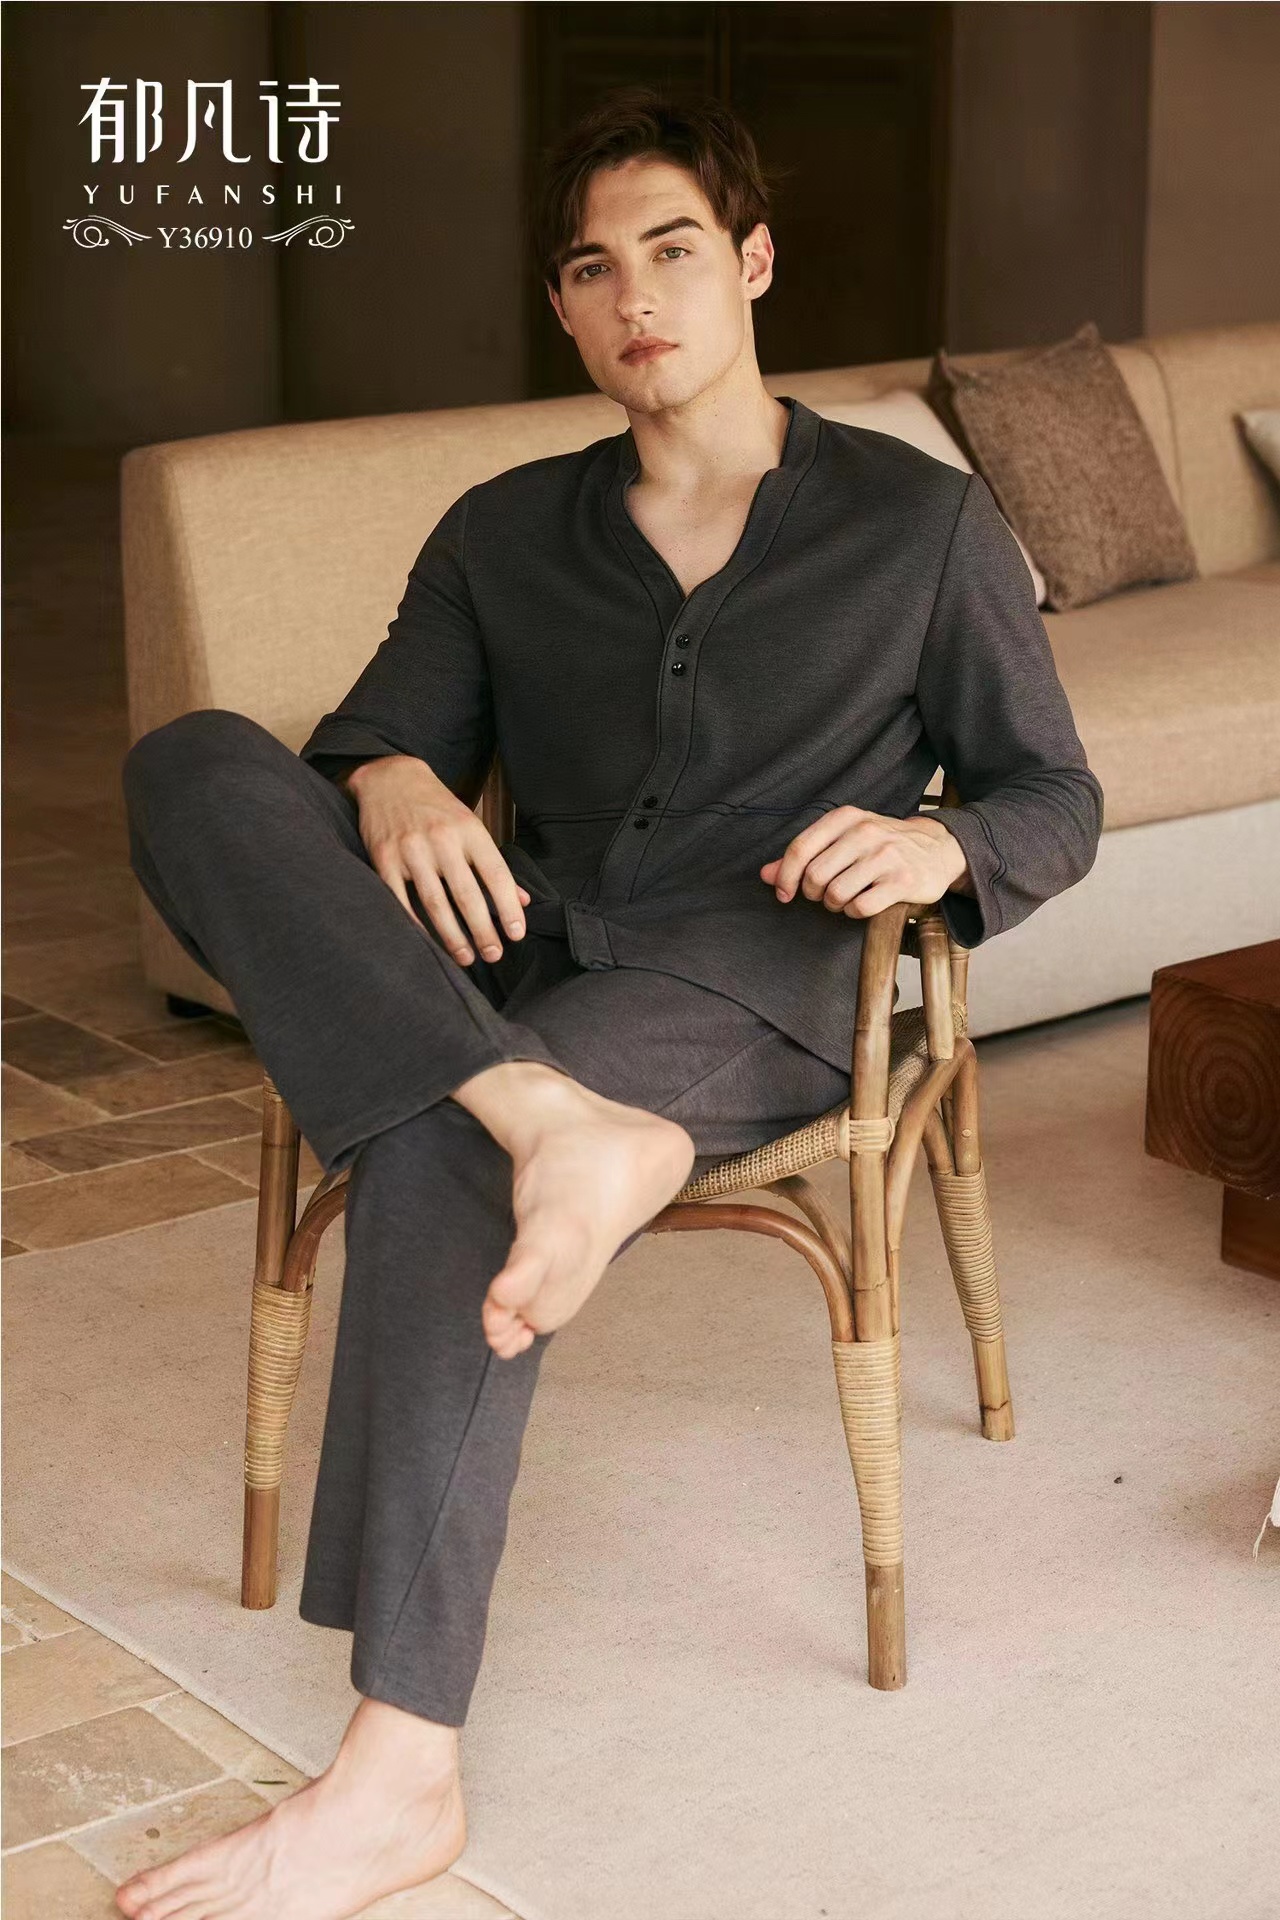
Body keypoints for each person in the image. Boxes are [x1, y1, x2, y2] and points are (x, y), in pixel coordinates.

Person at [115, 86, 1102, 1920]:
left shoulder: (921, 525)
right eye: (591, 269)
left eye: (672, 250)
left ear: (753, 264)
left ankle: (398, 1774)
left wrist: (938, 842)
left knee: (430, 1158)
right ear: (563, 309)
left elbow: (1054, 793)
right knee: (191, 761)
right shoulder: (503, 530)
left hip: (750, 974)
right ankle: (539, 1113)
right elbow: (374, 733)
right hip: (523, 944)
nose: (635, 296)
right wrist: (392, 779)